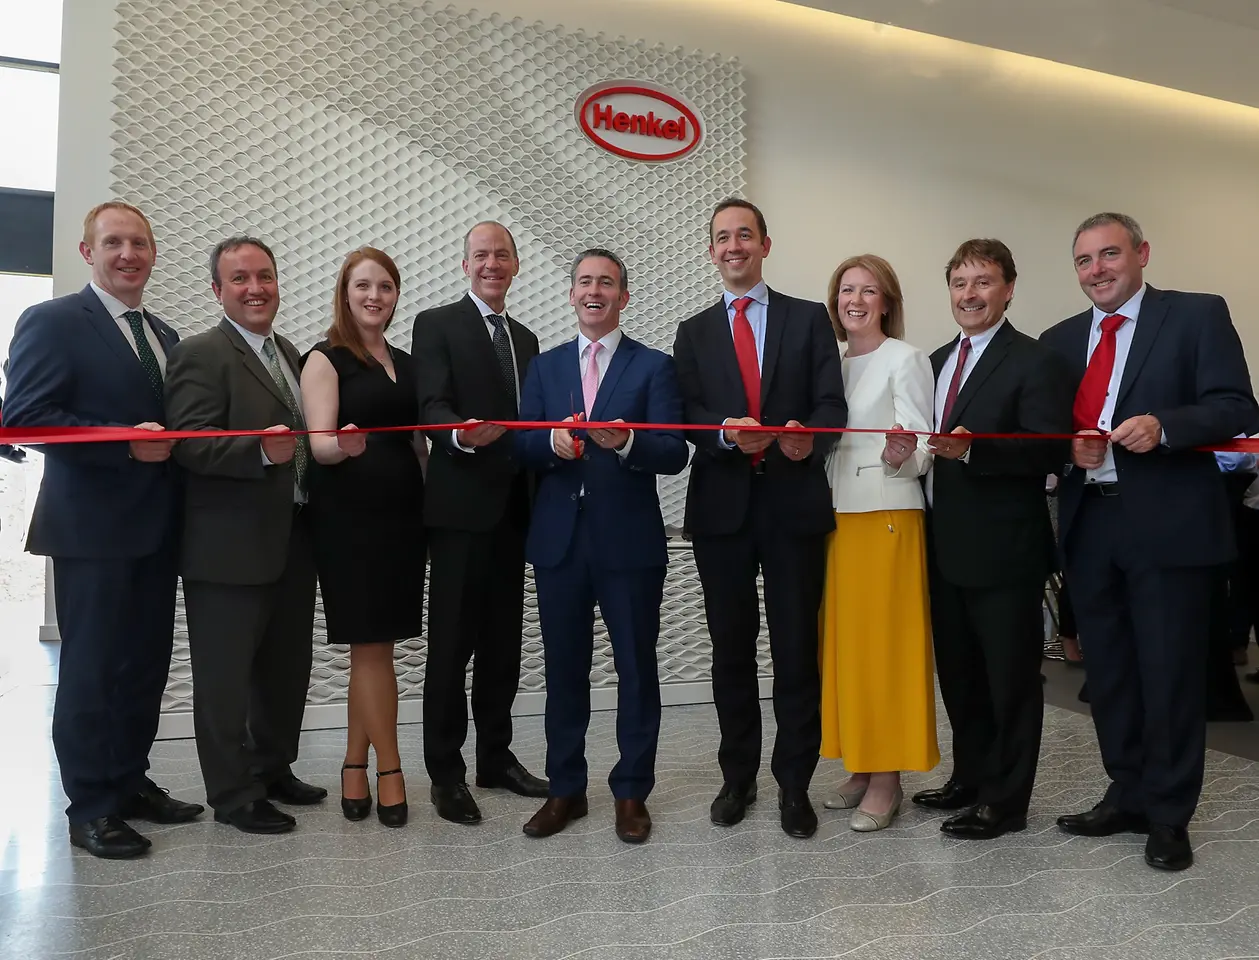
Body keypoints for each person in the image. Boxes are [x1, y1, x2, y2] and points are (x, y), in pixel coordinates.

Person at [1040, 212, 1259, 871]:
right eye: (1083, 260)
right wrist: (1063, 449)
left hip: (1167, 524)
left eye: (1108, 255)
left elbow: (1236, 408)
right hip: (1088, 524)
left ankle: (1168, 815)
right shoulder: (1059, 339)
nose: (1096, 270)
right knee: (1108, 677)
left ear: (1140, 255)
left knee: (1167, 674)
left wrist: (1164, 425)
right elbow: (1050, 429)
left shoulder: (1194, 316)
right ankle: (1126, 793)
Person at [2, 201, 203, 859]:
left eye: (139, 242)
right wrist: (122, 447)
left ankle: (129, 782)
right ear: (89, 253)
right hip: (91, 533)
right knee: (90, 674)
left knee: (143, 669)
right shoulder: (53, 321)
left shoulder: (165, 335)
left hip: (156, 531)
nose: (128, 254)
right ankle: (89, 808)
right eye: (113, 242)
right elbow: (26, 418)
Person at [672, 198, 847, 839]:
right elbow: (687, 414)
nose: (734, 246)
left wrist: (809, 438)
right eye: (722, 238)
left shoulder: (807, 320)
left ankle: (793, 784)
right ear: (712, 251)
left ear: (766, 245)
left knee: (796, 650)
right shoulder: (692, 333)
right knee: (730, 652)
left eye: (745, 235)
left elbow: (832, 404)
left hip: (793, 505)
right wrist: (721, 435)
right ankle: (737, 776)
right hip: (721, 511)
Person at [514, 248, 688, 844]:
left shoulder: (654, 367)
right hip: (559, 543)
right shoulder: (545, 366)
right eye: (585, 282)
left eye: (607, 283)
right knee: (565, 671)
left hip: (629, 545)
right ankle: (566, 790)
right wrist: (553, 447)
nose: (595, 291)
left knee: (637, 669)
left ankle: (632, 791)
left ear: (624, 296)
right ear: (572, 295)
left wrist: (630, 441)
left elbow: (674, 451)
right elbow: (522, 445)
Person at [911, 239, 1072, 840]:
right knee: (960, 675)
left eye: (983, 282)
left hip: (1005, 550)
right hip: (944, 548)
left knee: (1009, 682)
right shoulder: (933, 361)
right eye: (960, 283)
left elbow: (1049, 450)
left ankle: (1005, 802)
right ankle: (971, 778)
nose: (970, 294)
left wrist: (974, 447)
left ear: (1008, 288)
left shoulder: (1035, 360)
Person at [165, 236, 325, 835]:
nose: (255, 287)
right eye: (240, 279)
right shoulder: (200, 354)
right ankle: (233, 794)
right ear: (217, 290)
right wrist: (258, 450)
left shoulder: (286, 350)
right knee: (226, 680)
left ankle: (272, 768)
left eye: (265, 275)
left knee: (285, 670)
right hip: (226, 549)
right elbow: (188, 443)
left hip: (290, 537)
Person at [412, 221, 547, 824]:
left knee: (503, 646)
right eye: (481, 255)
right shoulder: (436, 325)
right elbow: (431, 406)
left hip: (515, 513)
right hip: (460, 512)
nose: (492, 263)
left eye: (502, 255)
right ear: (466, 265)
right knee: (451, 648)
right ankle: (446, 772)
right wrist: (459, 437)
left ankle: (495, 756)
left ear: (515, 265)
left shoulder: (526, 338)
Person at [300, 247, 427, 827]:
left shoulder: (406, 360)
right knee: (373, 648)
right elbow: (319, 443)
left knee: (375, 649)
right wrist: (343, 445)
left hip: (404, 519)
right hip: (352, 521)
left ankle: (354, 764)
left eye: (385, 287)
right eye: (362, 287)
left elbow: (417, 441)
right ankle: (392, 771)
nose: (374, 296)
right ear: (344, 294)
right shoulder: (325, 359)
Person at [817, 254, 938, 832]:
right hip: (839, 519)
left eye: (868, 291)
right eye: (846, 290)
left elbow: (920, 448)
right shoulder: (833, 362)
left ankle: (888, 778)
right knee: (850, 649)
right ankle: (862, 765)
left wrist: (901, 456)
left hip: (888, 515)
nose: (855, 300)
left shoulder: (906, 358)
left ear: (887, 301)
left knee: (887, 651)